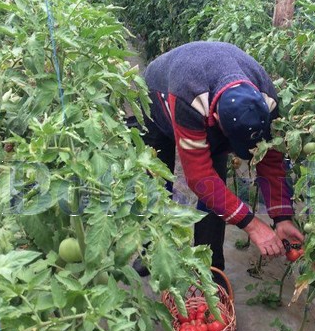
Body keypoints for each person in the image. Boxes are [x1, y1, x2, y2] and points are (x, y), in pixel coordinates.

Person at [128, 41, 304, 280]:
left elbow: (269, 159)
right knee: (156, 180)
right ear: (218, 118)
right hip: (156, 99)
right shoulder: (189, 97)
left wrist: (281, 217)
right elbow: (199, 178)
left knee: (215, 192)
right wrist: (252, 225)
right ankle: (151, 249)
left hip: (210, 93)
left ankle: (211, 266)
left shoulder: (267, 101)